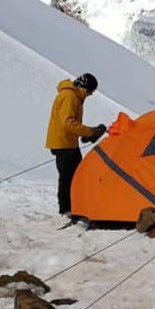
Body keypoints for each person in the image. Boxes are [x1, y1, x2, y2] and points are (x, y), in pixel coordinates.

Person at [45, 73, 107, 216]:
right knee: (67, 178)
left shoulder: (72, 96)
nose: (89, 95)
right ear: (84, 88)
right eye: (90, 92)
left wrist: (85, 133)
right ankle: (66, 210)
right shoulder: (70, 96)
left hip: (68, 143)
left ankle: (75, 206)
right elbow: (68, 123)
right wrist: (89, 132)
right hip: (63, 144)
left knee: (77, 175)